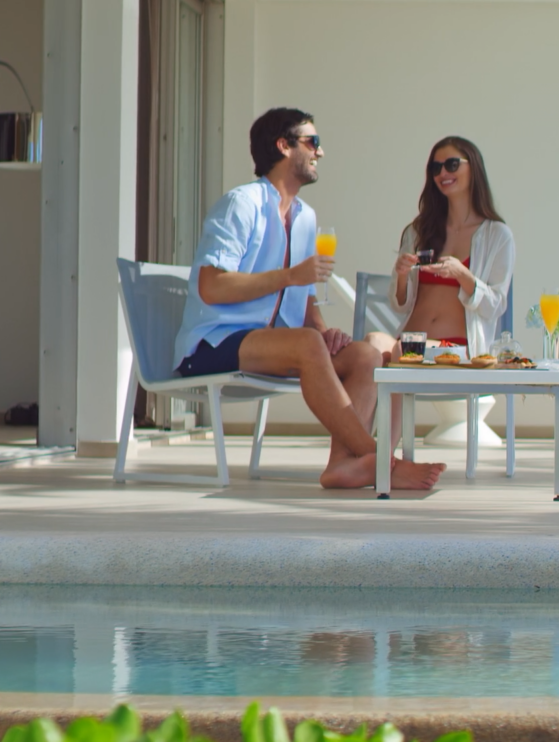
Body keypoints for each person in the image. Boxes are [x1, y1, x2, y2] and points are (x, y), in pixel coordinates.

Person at [175, 108, 443, 491]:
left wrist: (323, 331)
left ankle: (342, 466)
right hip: (213, 342)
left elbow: (304, 298)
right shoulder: (241, 204)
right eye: (312, 142)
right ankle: (382, 459)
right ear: (283, 146)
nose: (321, 152)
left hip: (276, 345)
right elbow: (211, 287)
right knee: (305, 343)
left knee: (365, 353)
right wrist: (290, 277)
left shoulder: (305, 217)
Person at [387, 136, 515, 355]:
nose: (442, 174)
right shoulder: (418, 231)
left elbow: (495, 305)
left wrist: (462, 275)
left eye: (451, 165)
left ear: (473, 167)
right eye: (436, 168)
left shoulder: (497, 236)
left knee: (395, 353)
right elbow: (401, 305)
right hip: (408, 341)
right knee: (369, 347)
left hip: (457, 350)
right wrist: (401, 275)